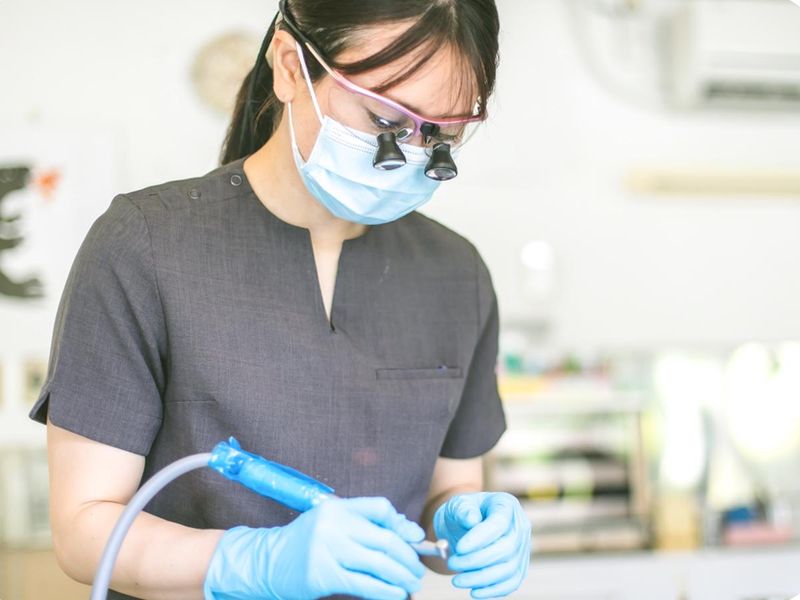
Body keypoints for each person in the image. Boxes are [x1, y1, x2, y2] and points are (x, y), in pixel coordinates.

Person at [30, 0, 531, 598]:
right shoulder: (145, 246)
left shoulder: (456, 274)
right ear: (291, 68)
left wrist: (467, 526)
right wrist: (250, 562)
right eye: (385, 120)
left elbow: (447, 493)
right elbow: (84, 530)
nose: (415, 154)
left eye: (443, 134)